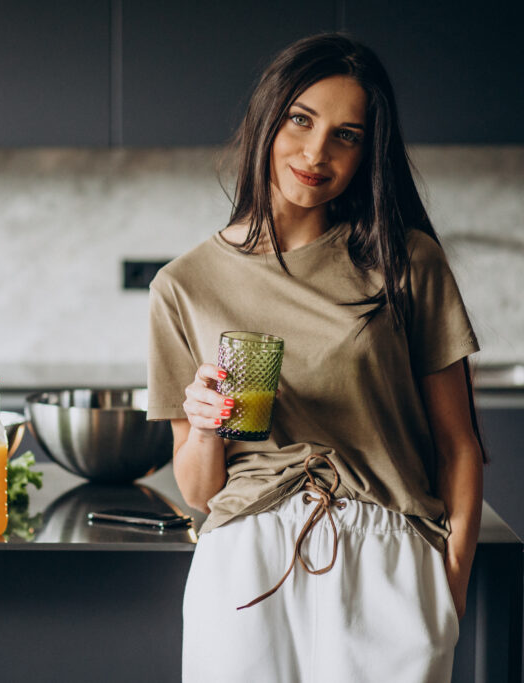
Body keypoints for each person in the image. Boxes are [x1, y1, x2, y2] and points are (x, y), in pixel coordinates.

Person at [146, 33, 485, 682]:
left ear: (367, 153)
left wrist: (450, 588)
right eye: (300, 120)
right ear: (266, 119)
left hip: (385, 557)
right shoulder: (183, 285)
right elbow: (197, 490)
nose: (316, 152)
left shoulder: (406, 261)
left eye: (346, 135)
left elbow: (459, 444)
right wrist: (208, 420)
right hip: (244, 561)